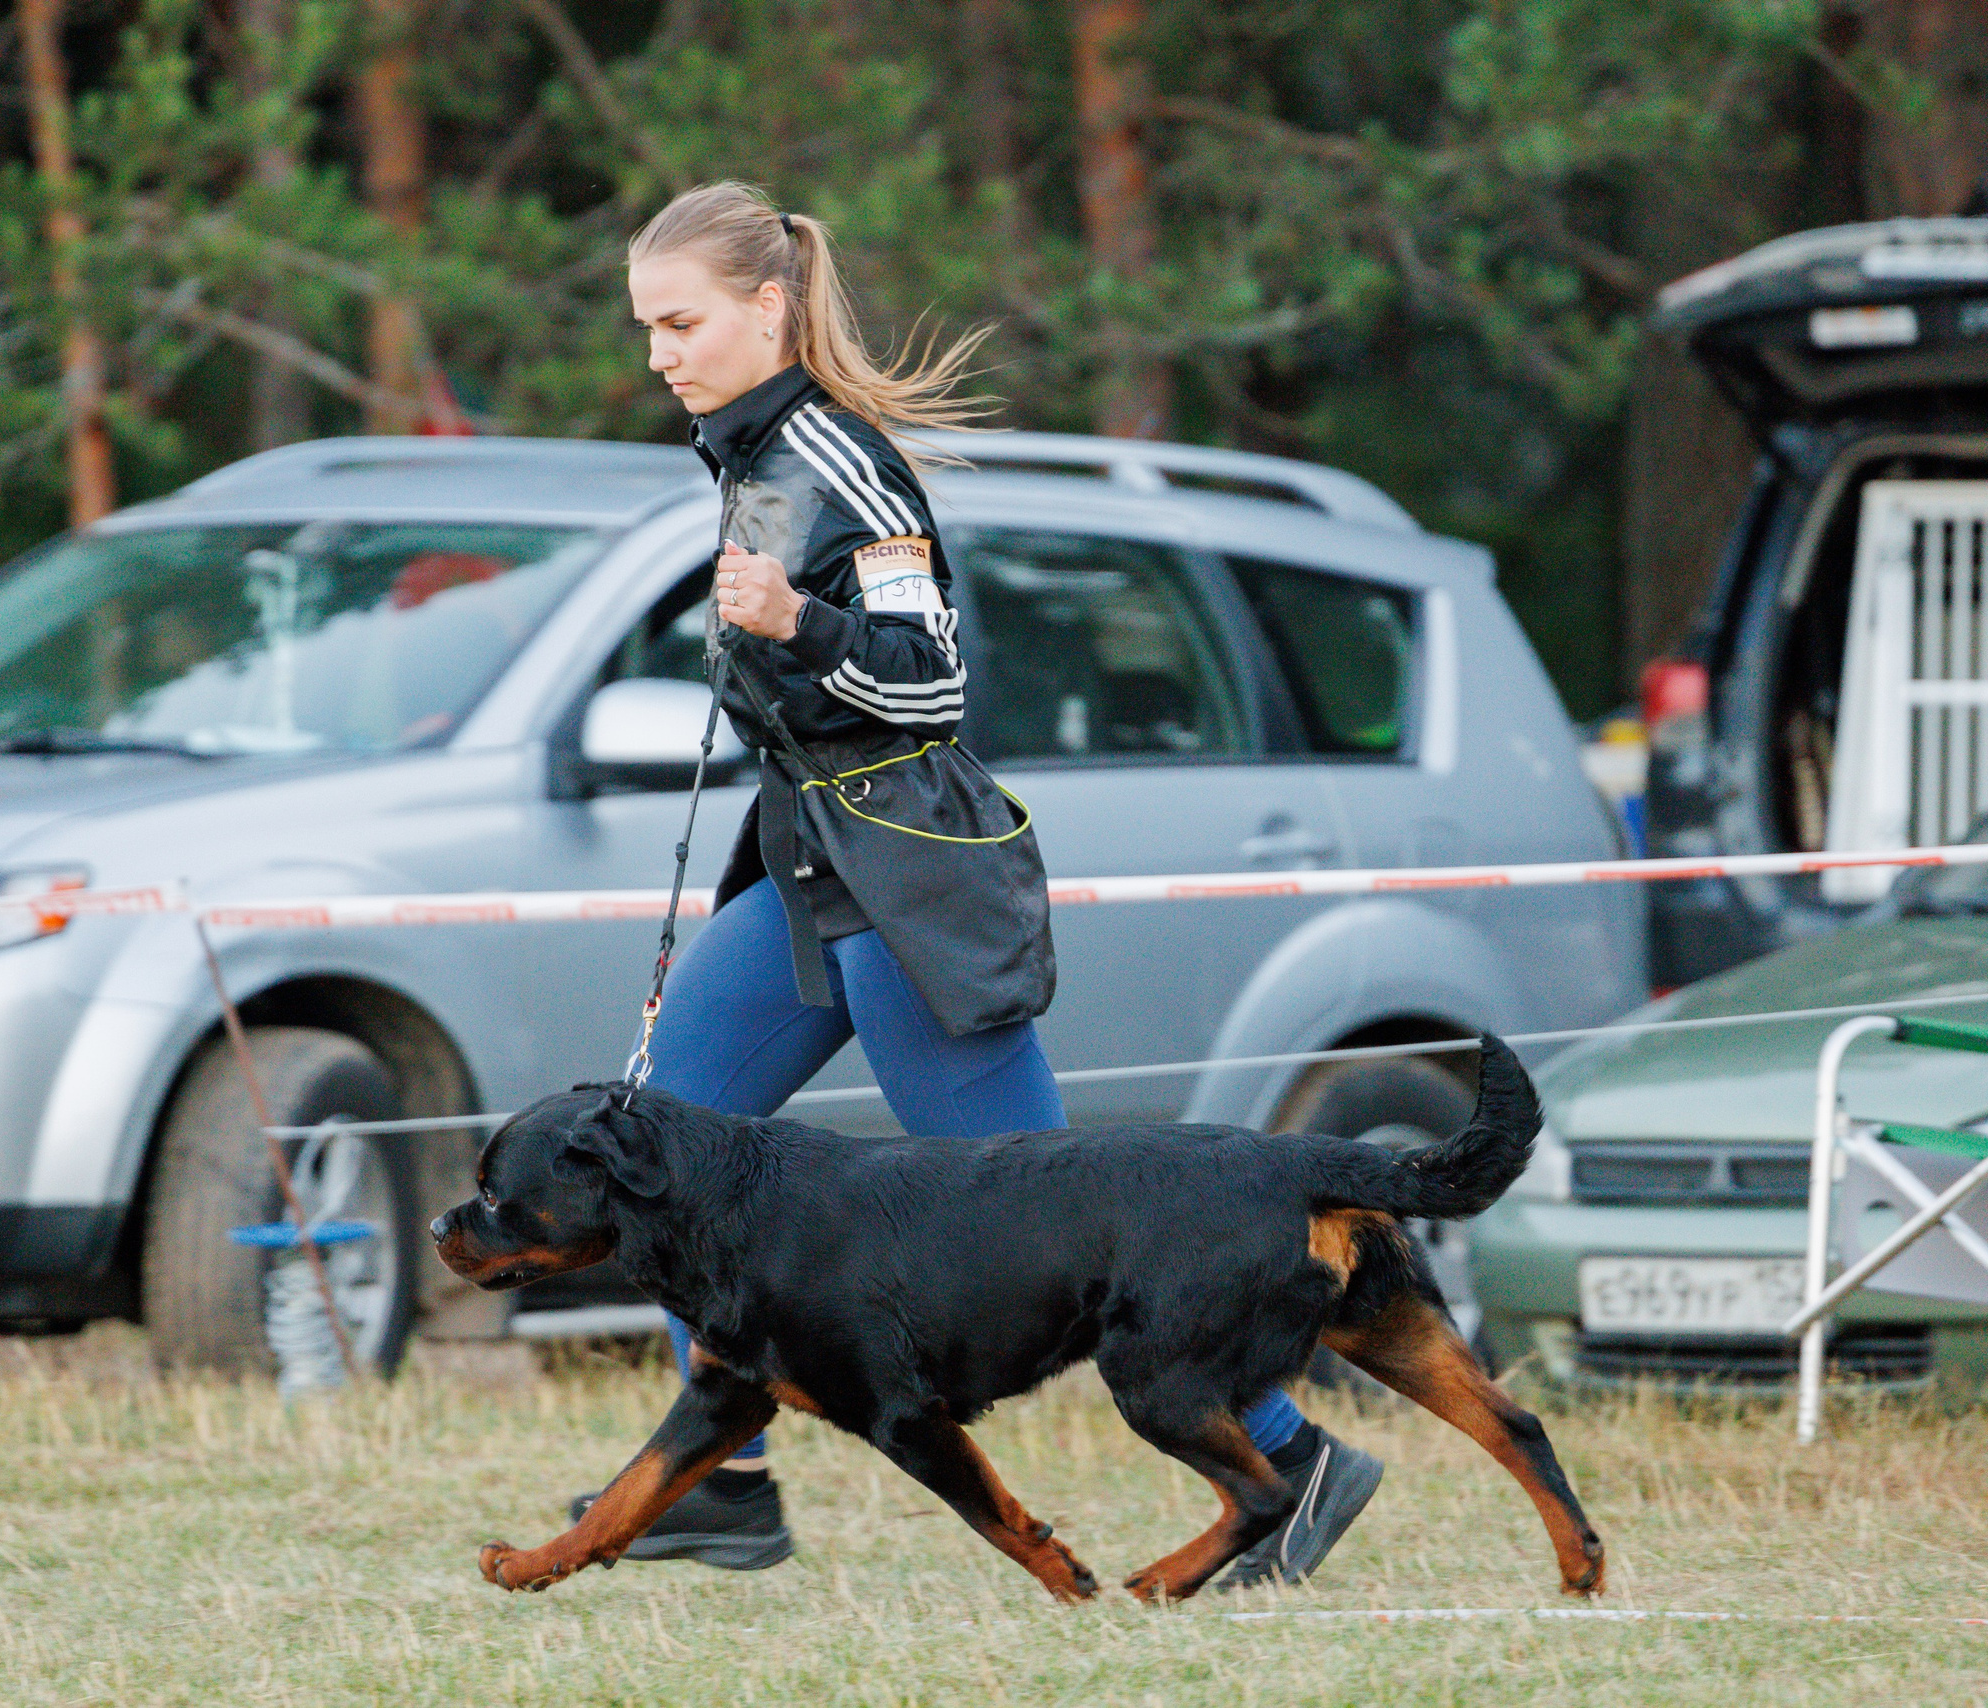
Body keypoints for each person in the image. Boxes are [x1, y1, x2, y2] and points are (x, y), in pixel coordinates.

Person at [573, 180, 1382, 1589]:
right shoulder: (747, 452)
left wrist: (797, 620)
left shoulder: (843, 460)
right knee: (660, 1156)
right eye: (646, 328)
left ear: (766, 309)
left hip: (909, 878)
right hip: (812, 871)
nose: (659, 355)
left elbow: (932, 683)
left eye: (681, 323)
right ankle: (728, 1479)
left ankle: (1291, 1464)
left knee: (1062, 1222)